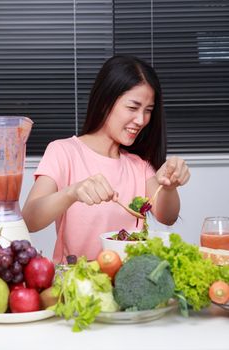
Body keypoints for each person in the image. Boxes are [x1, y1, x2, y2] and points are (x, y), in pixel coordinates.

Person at [22, 55, 190, 263]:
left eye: (148, 111)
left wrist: (170, 186)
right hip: (78, 283)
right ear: (105, 102)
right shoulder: (64, 151)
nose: (141, 120)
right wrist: (72, 192)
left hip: (126, 285)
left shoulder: (139, 165)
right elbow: (29, 219)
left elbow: (168, 217)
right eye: (132, 107)